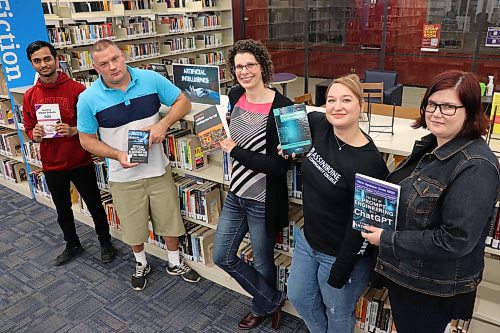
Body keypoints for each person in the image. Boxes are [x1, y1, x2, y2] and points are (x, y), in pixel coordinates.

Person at [362, 70, 499, 333]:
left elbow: (455, 240)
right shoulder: (432, 145)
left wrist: (387, 239)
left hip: (430, 288)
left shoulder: (476, 166)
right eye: (432, 104)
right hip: (409, 273)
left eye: (448, 106)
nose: (436, 113)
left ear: (470, 111)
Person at [76, 39, 200, 291]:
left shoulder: (150, 79)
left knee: (170, 220)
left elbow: (183, 102)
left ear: (123, 56)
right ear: (95, 68)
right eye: (104, 64)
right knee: (133, 228)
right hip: (123, 176)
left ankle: (174, 262)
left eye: (115, 59)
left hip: (157, 169)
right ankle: (141, 262)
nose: (112, 67)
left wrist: (162, 124)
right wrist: (116, 154)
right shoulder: (87, 98)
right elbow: (86, 140)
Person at [284, 74, 389, 333]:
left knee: (337, 312)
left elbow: (365, 225)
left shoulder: (371, 164)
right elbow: (289, 115)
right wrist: (289, 144)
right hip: (308, 241)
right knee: (298, 296)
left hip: (341, 255)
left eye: (346, 100)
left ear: (360, 106)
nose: (337, 106)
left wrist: (342, 268)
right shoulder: (319, 123)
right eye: (331, 100)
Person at [212, 39, 292, 330]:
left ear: (262, 67)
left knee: (262, 261)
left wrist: (234, 151)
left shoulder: (282, 106)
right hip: (236, 194)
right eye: (239, 67)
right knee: (221, 256)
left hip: (263, 199)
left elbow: (278, 165)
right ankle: (272, 300)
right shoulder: (234, 95)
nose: (244, 71)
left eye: (250, 65)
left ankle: (261, 308)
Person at [23, 40, 116, 266]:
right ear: (32, 64)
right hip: (52, 163)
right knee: (62, 209)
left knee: (94, 204)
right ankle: (72, 243)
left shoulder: (77, 90)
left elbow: (95, 124)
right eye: (37, 61)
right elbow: (28, 129)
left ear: (56, 59)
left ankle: (105, 242)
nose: (43, 64)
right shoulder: (30, 95)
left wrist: (74, 130)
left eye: (47, 59)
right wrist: (34, 133)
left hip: (79, 159)